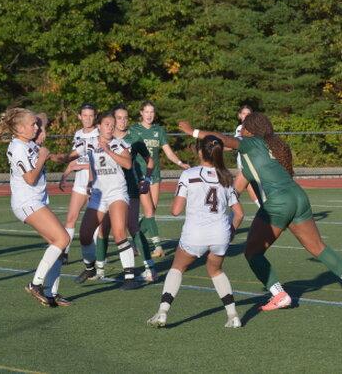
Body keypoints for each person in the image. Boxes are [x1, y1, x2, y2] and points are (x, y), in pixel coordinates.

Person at [178, 112, 342, 310]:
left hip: (279, 203)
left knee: (252, 252)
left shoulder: (252, 143)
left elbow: (223, 140)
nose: (240, 133)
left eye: (243, 129)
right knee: (318, 247)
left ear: (250, 131)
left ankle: (279, 294)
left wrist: (193, 132)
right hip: (298, 197)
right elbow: (234, 190)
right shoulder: (266, 150)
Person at [147, 135, 244, 328]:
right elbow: (239, 214)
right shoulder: (226, 177)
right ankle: (233, 315)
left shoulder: (189, 174)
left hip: (195, 234)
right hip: (220, 233)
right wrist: (230, 233)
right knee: (215, 270)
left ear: (200, 152)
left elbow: (176, 211)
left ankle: (162, 312)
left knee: (177, 268)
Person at [0, 108, 73, 307]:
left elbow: (55, 155)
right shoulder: (18, 147)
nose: (36, 128)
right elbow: (30, 178)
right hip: (27, 202)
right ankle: (35, 284)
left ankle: (52, 294)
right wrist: (43, 156)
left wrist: (81, 152)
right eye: (32, 125)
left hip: (35, 201)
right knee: (63, 239)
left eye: (37, 125)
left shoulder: (28, 144)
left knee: (58, 246)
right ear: (20, 128)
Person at [51, 112, 142, 290]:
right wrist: (48, 156)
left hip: (116, 193)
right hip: (99, 195)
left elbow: (127, 164)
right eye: (107, 124)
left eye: (112, 125)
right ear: (99, 126)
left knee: (119, 233)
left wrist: (108, 150)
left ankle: (130, 277)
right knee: (85, 234)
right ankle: (90, 268)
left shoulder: (119, 144)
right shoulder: (88, 143)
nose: (110, 127)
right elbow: (69, 157)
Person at [91, 105, 157, 283]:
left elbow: (150, 161)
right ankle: (100, 269)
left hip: (129, 188)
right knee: (104, 228)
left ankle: (150, 268)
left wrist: (147, 179)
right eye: (119, 118)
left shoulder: (134, 138)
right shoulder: (102, 138)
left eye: (125, 118)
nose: (122, 121)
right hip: (108, 190)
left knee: (132, 226)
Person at [128, 101, 190, 258]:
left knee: (152, 211)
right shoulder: (134, 130)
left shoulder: (158, 131)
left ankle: (135, 241)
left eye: (152, 112)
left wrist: (180, 163)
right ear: (141, 113)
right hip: (140, 175)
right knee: (149, 210)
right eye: (147, 112)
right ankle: (157, 246)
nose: (149, 115)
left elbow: (168, 152)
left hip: (154, 175)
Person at [59, 103, 98, 264]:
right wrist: (65, 173)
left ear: (95, 117)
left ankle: (96, 255)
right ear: (79, 117)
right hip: (80, 183)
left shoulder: (99, 134)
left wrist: (81, 166)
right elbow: (75, 158)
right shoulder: (78, 134)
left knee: (94, 221)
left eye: (91, 115)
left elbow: (99, 162)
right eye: (85, 115)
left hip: (94, 183)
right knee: (71, 218)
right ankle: (64, 253)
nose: (88, 119)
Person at [233, 105, 259, 207]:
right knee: (252, 191)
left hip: (248, 166)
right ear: (239, 115)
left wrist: (216, 146)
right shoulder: (242, 128)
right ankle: (267, 211)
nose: (246, 116)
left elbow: (235, 144)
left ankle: (233, 217)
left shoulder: (244, 128)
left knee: (233, 195)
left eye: (248, 114)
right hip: (247, 165)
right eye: (244, 113)